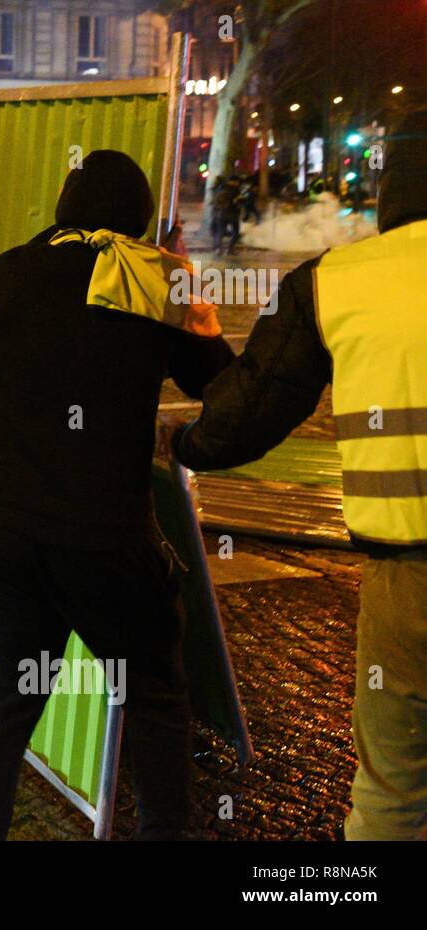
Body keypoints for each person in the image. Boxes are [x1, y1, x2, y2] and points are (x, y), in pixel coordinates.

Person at [0, 150, 236, 840]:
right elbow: (219, 387)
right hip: (104, 539)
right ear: (138, 217)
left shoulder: (12, 268)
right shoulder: (153, 278)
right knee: (157, 699)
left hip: (5, 531)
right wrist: (191, 302)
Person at [169, 109, 427, 841]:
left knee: (391, 791)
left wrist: (185, 442)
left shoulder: (339, 279)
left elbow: (253, 407)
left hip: (407, 584)